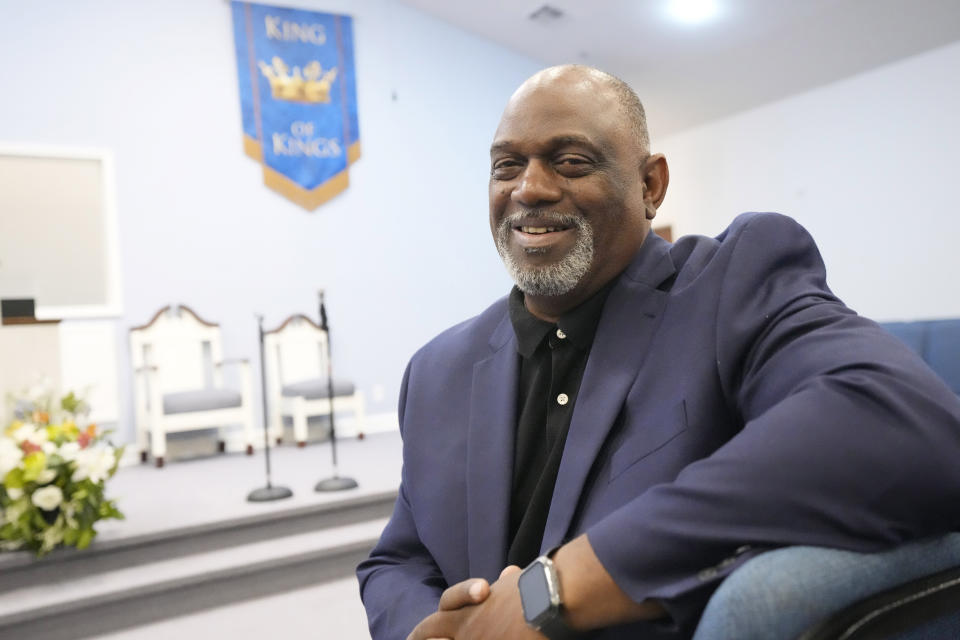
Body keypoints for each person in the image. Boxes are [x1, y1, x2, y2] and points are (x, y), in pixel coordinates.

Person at [356, 65, 960, 640]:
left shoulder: (732, 284)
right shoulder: (437, 369)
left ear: (650, 185)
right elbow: (398, 559)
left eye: (570, 161)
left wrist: (555, 590)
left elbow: (895, 419)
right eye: (506, 165)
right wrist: (428, 628)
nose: (529, 188)